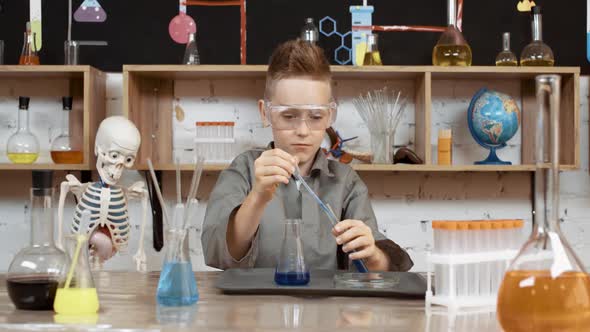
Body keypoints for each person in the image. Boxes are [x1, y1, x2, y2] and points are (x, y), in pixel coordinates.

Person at [201, 39, 413, 271]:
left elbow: (381, 264)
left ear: (330, 114)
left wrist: (373, 255)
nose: (302, 131)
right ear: (266, 113)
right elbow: (217, 252)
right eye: (289, 116)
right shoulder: (244, 170)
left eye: (315, 117)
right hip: (256, 307)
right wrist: (258, 196)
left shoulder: (345, 182)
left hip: (329, 307)